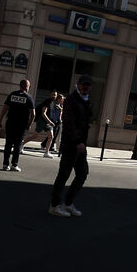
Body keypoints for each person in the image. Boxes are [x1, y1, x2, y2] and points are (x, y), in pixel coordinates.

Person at [48, 75, 94, 217]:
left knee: (82, 173)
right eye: (83, 84)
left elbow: (85, 122)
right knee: (64, 175)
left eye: (88, 85)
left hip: (81, 145)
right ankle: (54, 205)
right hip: (71, 144)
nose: (85, 87)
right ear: (78, 85)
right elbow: (69, 123)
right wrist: (77, 141)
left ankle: (68, 203)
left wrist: (82, 142)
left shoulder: (86, 101)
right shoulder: (71, 100)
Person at [0, 79, 35, 171]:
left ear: (19, 85)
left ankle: (5, 164)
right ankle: (14, 164)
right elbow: (33, 114)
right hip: (21, 125)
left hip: (10, 122)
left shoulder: (12, 94)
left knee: (8, 143)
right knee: (18, 144)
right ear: (27, 87)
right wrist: (29, 124)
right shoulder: (28, 97)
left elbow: (4, 108)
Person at [24, 92, 56, 156]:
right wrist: (50, 122)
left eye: (55, 95)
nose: (54, 96)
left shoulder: (52, 103)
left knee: (51, 136)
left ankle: (46, 152)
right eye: (53, 95)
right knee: (35, 136)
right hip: (42, 121)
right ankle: (21, 144)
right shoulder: (47, 102)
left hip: (47, 123)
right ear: (50, 95)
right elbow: (43, 113)